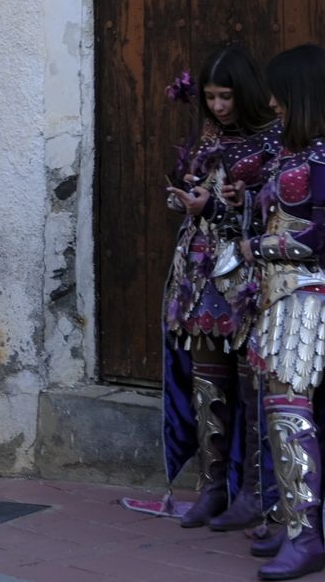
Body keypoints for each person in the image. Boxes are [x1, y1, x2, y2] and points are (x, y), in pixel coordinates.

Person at [160, 46, 279, 534]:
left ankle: (254, 492)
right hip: (201, 275)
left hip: (251, 278)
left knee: (253, 388)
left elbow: (278, 212)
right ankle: (211, 489)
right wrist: (187, 193)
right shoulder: (206, 134)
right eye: (209, 96)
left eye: (226, 96)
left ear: (245, 92)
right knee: (208, 382)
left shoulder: (275, 139)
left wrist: (221, 205)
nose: (218, 106)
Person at [238, 44, 325, 578]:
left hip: (308, 298)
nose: (271, 102)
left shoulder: (316, 159)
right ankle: (299, 525)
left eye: (279, 92)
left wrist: (261, 248)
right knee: (279, 412)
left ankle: (305, 534)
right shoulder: (293, 155)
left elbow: (318, 234)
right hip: (281, 298)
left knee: (290, 414)